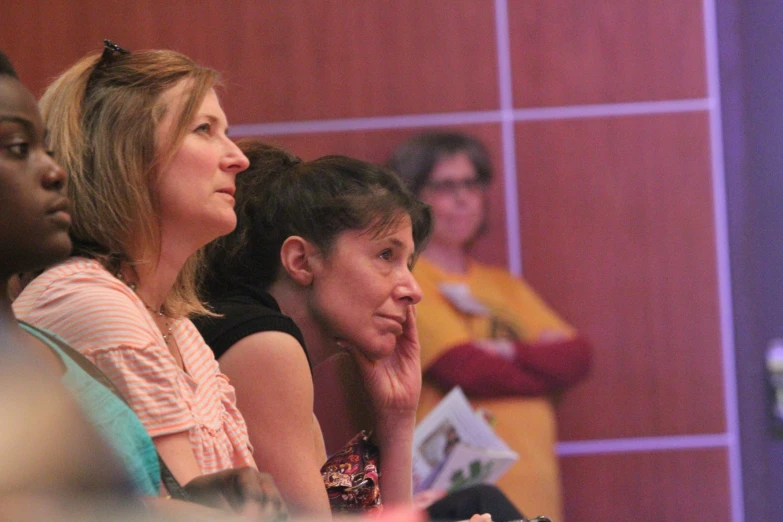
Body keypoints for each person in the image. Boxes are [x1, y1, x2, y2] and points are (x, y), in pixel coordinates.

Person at [10, 42, 285, 519]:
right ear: (126, 154)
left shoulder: (178, 326)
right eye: (204, 130)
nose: (238, 158)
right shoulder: (90, 300)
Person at [193, 140, 431, 518]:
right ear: (300, 260)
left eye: (409, 263)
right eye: (386, 255)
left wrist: (397, 416)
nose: (412, 290)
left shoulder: (274, 346)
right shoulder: (266, 346)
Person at [388, 131, 593, 521]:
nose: (463, 197)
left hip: (534, 491)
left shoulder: (502, 284)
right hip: (461, 500)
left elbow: (578, 357)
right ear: (413, 197)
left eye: (471, 183)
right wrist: (542, 367)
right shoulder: (410, 280)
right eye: (446, 186)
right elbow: (469, 370)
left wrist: (511, 352)